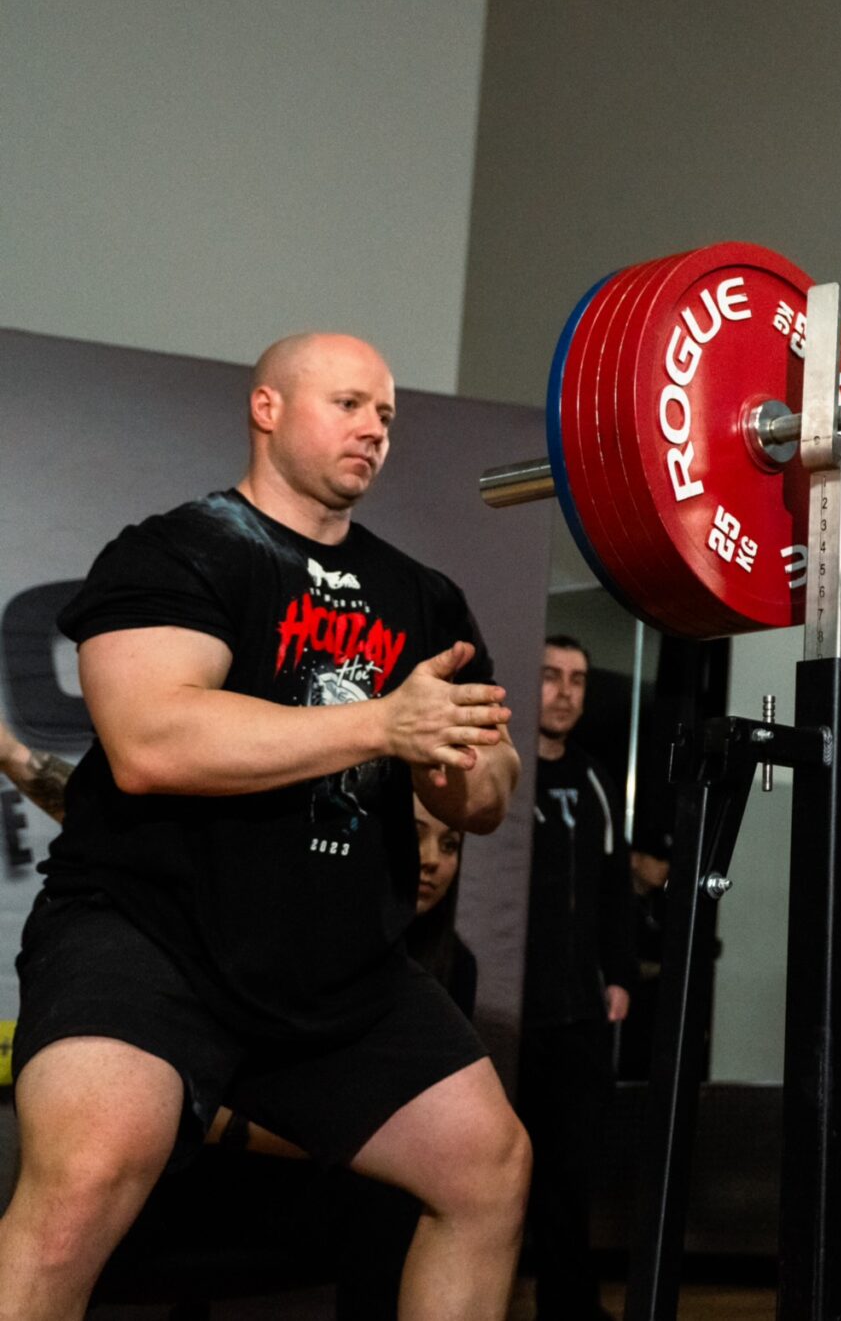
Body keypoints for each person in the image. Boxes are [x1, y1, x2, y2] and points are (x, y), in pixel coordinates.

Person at [0, 331, 530, 1321]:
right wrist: (384, 721)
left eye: (386, 415)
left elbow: (487, 789)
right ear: (268, 409)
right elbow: (154, 740)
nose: (373, 428)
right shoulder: (178, 549)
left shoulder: (423, 597)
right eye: (348, 404)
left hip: (331, 964)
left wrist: (459, 767)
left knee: (487, 1172)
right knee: (79, 1192)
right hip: (149, 935)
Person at [518, 634, 636, 1321]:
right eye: (551, 676)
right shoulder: (499, 770)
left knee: (570, 1174)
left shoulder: (594, 779)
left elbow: (614, 887)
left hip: (579, 1016)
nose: (565, 691)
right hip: (508, 1010)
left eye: (578, 680)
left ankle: (571, 1310)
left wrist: (619, 974)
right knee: (500, 1172)